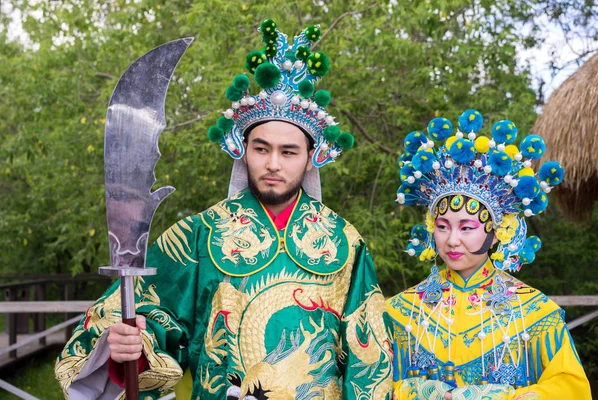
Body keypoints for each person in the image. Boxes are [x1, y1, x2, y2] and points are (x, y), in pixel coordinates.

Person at [55, 18, 393, 399]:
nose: (273, 164)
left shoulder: (345, 242)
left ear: (312, 157)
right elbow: (137, 314)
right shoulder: (198, 235)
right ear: (242, 149)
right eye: (262, 148)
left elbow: (371, 359)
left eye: (289, 152)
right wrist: (127, 348)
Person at [387, 110, 592, 399]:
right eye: (443, 227)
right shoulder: (399, 311)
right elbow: (367, 382)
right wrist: (409, 391)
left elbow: (571, 388)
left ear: (496, 233)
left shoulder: (534, 311)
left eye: (467, 227)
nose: (453, 240)